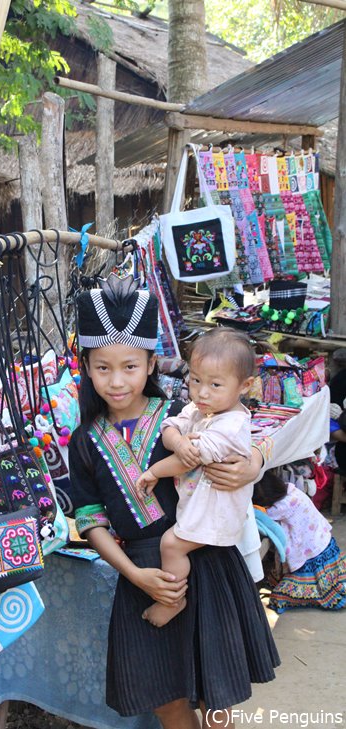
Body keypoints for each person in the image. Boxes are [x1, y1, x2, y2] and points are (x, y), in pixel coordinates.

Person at [69, 273, 279, 729]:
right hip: (141, 573)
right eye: (103, 367)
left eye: (130, 366)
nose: (117, 380)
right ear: (86, 367)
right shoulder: (84, 440)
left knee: (214, 692)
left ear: (150, 364)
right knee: (165, 698)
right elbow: (90, 520)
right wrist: (137, 576)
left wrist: (256, 462)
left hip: (203, 560)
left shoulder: (185, 417)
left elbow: (247, 434)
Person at [136, 328, 255, 627]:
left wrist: (154, 471)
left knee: (171, 545)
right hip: (199, 502)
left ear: (245, 386)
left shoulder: (232, 424)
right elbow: (171, 427)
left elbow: (188, 459)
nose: (202, 392)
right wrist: (177, 439)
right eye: (196, 380)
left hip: (215, 509)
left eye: (215, 384)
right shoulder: (202, 408)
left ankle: (172, 600)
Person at [253, 470, 346, 613]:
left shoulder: (283, 506)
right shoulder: (292, 490)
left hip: (313, 554)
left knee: (280, 597)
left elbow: (259, 516)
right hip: (322, 544)